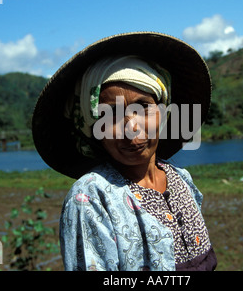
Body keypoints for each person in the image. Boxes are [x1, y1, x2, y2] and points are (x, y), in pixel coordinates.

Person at [32, 32, 217, 271]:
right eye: (111, 115)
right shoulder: (90, 198)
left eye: (143, 107)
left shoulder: (182, 180)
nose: (132, 129)